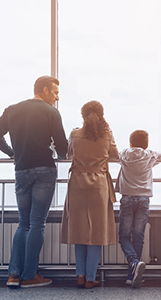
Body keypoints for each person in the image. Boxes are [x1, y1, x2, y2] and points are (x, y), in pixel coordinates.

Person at [0, 75, 68, 288]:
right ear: (44, 90)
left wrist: (11, 152)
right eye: (55, 92)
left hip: (21, 170)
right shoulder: (52, 112)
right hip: (44, 170)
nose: (57, 97)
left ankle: (13, 275)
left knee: (23, 223)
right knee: (37, 223)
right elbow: (62, 147)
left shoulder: (12, 109)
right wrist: (60, 154)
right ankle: (30, 275)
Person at [61, 100, 118, 289]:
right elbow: (115, 155)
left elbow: (69, 154)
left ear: (83, 116)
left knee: (79, 230)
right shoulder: (107, 135)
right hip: (98, 184)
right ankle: (90, 277)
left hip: (77, 183)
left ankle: (80, 275)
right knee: (96, 232)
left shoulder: (75, 133)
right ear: (102, 115)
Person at [115, 130, 161, 288]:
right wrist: (149, 151)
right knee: (138, 236)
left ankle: (134, 265)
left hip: (127, 198)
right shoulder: (149, 155)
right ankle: (134, 273)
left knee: (124, 236)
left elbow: (112, 154)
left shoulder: (124, 155)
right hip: (144, 199)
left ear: (130, 143)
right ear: (146, 144)